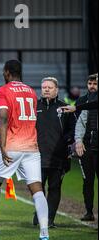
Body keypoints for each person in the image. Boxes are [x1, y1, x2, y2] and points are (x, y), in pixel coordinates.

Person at [0, 60, 51, 240]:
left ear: (7, 72)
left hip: (12, 146)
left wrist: (3, 146)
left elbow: (3, 117)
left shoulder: (4, 91)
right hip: (31, 146)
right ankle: (44, 234)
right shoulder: (31, 91)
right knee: (36, 188)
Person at [33, 77, 76, 227]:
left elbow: (72, 129)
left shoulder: (65, 108)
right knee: (38, 189)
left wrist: (66, 140)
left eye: (49, 87)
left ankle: (49, 219)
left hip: (58, 156)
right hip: (36, 155)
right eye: (43, 87)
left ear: (56, 90)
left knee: (54, 187)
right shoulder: (34, 106)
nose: (45, 89)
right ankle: (39, 214)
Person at [74, 95, 98, 221]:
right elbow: (81, 124)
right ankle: (89, 212)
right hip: (88, 148)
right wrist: (78, 140)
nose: (93, 86)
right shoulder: (88, 103)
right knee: (87, 181)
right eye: (91, 83)